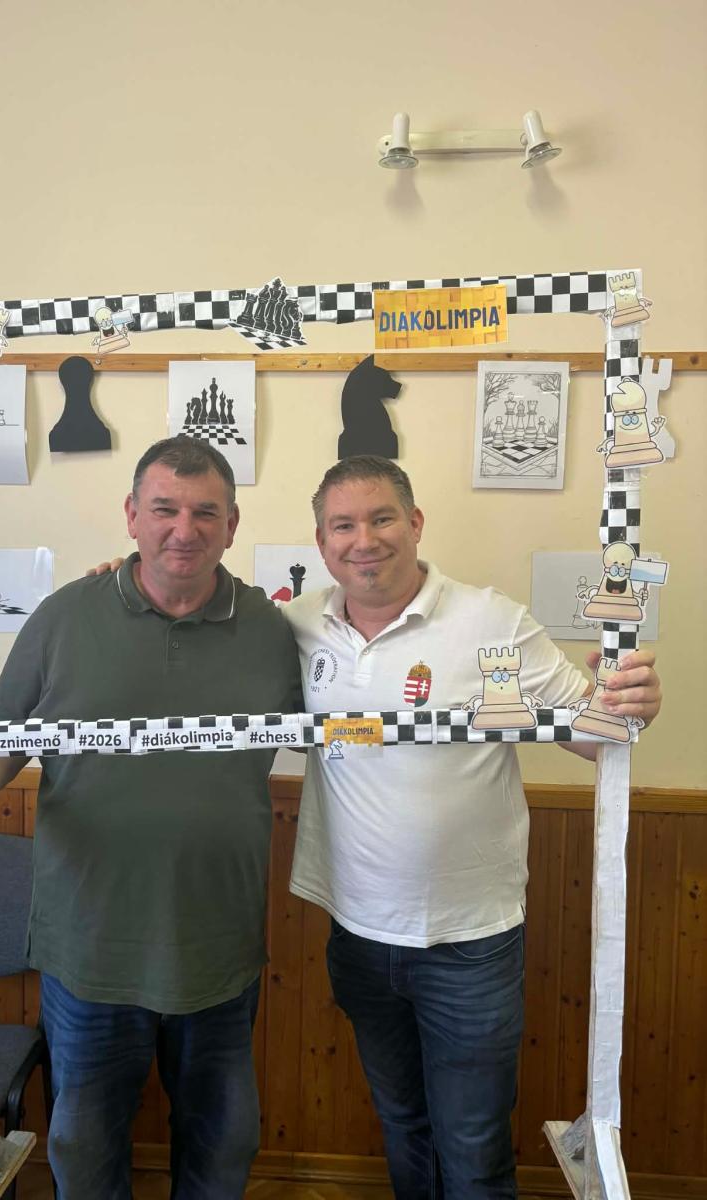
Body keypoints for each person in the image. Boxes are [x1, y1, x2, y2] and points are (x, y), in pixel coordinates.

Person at [0, 437, 302, 1200]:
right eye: (164, 509)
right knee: (84, 1152)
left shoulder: (274, 631)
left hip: (218, 947)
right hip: (89, 950)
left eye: (205, 512)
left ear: (232, 525)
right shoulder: (64, 617)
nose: (183, 529)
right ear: (131, 515)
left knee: (222, 1148)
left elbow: (350, 717)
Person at [282, 455, 662, 1200]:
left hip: (471, 943)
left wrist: (632, 704)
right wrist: (117, 578)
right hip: (357, 935)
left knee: (474, 1146)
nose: (365, 540)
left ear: (415, 523)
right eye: (343, 525)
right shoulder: (294, 626)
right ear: (322, 543)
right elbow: (195, 621)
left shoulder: (493, 621)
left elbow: (595, 735)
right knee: (404, 1124)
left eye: (383, 518)